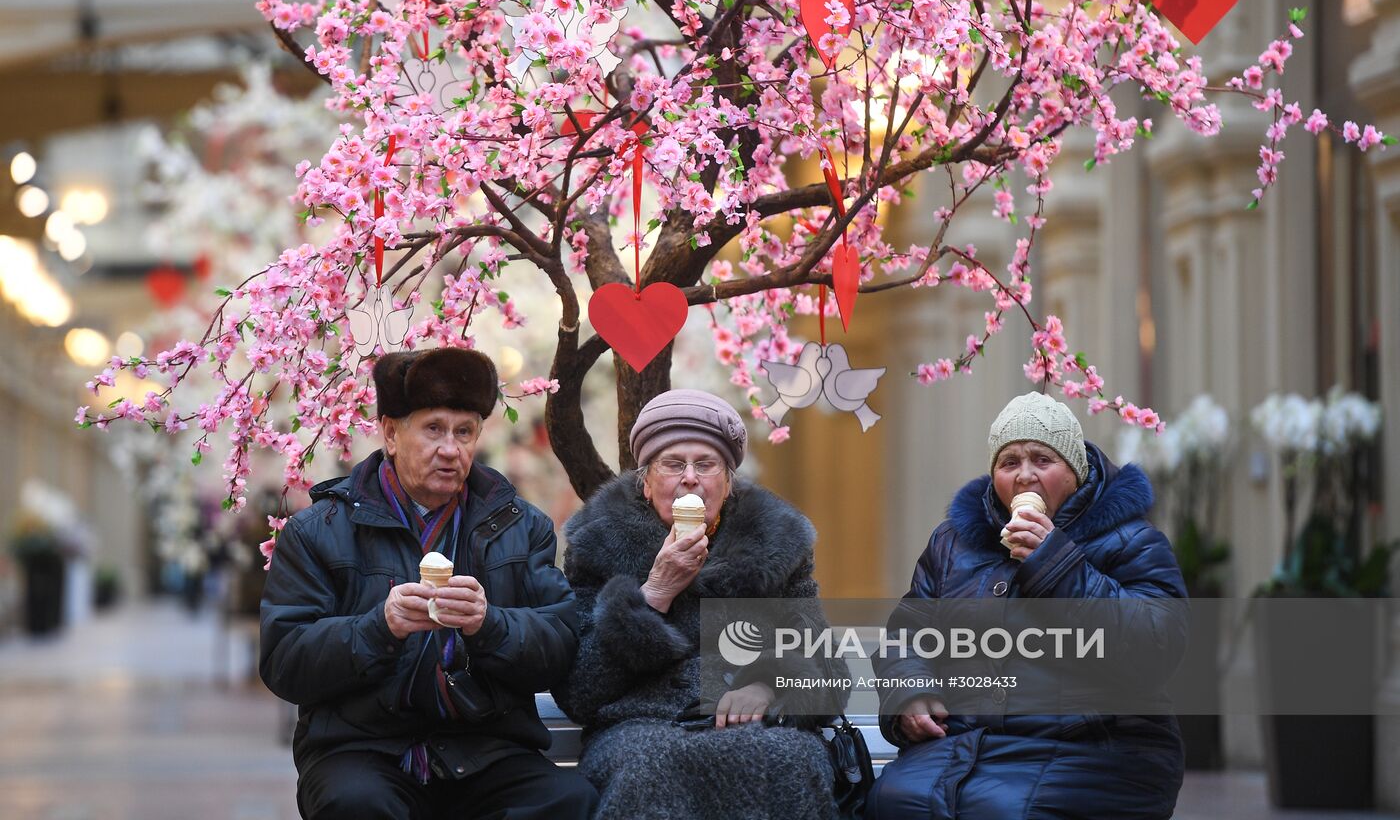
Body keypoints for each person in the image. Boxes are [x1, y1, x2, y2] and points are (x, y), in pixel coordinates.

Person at [259, 347, 597, 820]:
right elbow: (284, 661)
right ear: (391, 434)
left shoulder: (521, 526)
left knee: (566, 800)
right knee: (356, 805)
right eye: (433, 429)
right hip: (363, 748)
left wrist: (489, 624)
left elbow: (560, 644)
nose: (450, 449)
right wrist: (381, 626)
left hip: (487, 748)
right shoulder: (318, 531)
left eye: (465, 432)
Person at [868, 391, 1187, 820]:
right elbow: (907, 636)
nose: (1025, 476)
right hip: (967, 743)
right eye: (1009, 463)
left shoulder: (1132, 541)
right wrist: (909, 692)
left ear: (1075, 470)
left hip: (1096, 747)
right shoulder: (953, 543)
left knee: (1001, 811)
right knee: (893, 801)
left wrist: (1055, 562)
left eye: (1042, 459)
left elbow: (1156, 648)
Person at [556, 389, 846, 820]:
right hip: (640, 727)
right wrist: (655, 592)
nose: (690, 477)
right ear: (646, 480)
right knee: (645, 766)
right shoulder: (599, 542)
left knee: (786, 761)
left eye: (705, 465)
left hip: (753, 728)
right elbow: (579, 691)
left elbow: (829, 671)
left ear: (727, 484)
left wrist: (768, 688)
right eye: (673, 464)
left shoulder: (775, 544)